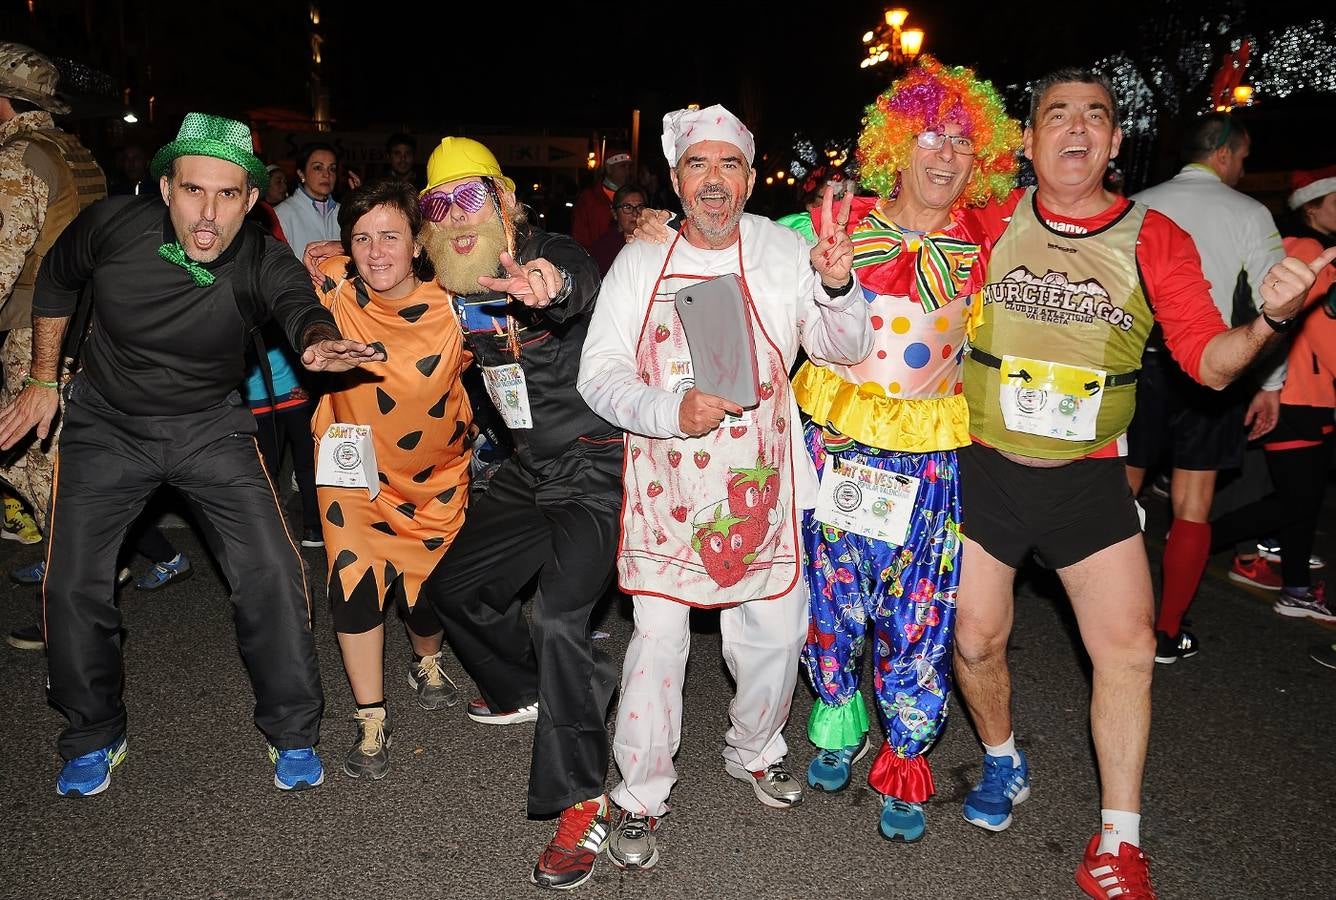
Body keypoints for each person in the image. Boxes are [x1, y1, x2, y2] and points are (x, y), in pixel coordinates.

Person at [952, 68, 1335, 898]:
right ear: (1028, 140)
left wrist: (1271, 320)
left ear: (1117, 143)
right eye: (1058, 115)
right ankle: (1000, 759)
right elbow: (895, 245)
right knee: (975, 640)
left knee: (1126, 652)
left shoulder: (1153, 235)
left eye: (1097, 116)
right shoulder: (985, 218)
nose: (1077, 130)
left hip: (1088, 478)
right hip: (983, 468)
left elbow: (1207, 360)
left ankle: (1119, 840)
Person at [0, 112, 386, 797]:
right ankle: (94, 734)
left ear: (251, 200)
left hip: (210, 427)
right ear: (166, 187)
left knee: (273, 571)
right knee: (70, 584)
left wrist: (317, 340)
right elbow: (57, 282)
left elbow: (298, 305)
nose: (208, 215)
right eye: (194, 191)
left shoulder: (261, 259)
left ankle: (293, 732)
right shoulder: (111, 227)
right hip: (106, 426)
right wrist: (41, 377)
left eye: (229, 195)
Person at [578, 104, 872, 870]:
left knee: (775, 635)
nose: (714, 181)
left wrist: (838, 287)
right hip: (668, 487)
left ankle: (755, 747)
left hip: (764, 484)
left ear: (748, 177)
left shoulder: (784, 251)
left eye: (729, 165)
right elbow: (599, 375)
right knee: (659, 642)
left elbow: (844, 348)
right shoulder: (641, 261)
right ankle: (639, 795)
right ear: (676, 180)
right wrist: (671, 409)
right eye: (698, 166)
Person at [791, 59, 1021, 842]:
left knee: (917, 618)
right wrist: (654, 224)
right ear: (897, 144)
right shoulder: (837, 221)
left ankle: (906, 758)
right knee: (831, 607)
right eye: (930, 135)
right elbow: (737, 249)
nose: (947, 155)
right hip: (836, 448)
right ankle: (837, 719)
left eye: (963, 140)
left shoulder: (987, 238)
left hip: (927, 463)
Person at [402, 137, 619, 890]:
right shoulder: (450, 277)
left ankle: (584, 801)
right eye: (439, 205)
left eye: (472, 199)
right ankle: (538, 690)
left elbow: (578, 278)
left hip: (597, 465)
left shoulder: (543, 250)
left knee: (559, 619)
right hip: (530, 472)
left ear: (504, 200)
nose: (458, 220)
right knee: (452, 589)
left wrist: (546, 283)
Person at [310, 179, 473, 780]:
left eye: (390, 237)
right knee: (352, 584)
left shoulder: (456, 302)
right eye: (361, 238)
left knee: (426, 598)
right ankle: (370, 717)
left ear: (418, 243)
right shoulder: (330, 285)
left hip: (436, 479)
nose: (376, 253)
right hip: (352, 477)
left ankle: (425, 660)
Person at [1125, 112, 1287, 663]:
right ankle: (1167, 632)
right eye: (1243, 157)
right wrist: (1272, 382)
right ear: (1223, 151)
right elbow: (1278, 301)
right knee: (1193, 507)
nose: (1244, 167)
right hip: (1213, 363)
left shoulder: (1139, 203)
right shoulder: (1249, 212)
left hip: (1139, 363)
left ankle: (1109, 617)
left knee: (1120, 494)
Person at [0, 42, 106, 647]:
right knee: (58, 460)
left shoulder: (20, 158)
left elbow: (6, 258)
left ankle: (70, 603)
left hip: (32, 331)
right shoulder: (73, 150)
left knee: (48, 470)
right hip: (80, 325)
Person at [1209, 166, 1336, 623]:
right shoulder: (1311, 250)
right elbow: (1324, 332)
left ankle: (1290, 575)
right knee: (1297, 500)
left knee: (1295, 496)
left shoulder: (1289, 244)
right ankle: (1205, 537)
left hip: (1285, 385)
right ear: (1313, 206)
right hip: (1301, 391)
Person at [275, 142, 342, 258]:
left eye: (332, 169)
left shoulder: (344, 212)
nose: (327, 174)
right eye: (318, 168)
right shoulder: (281, 214)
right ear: (302, 174)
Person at [571, 147, 633, 250]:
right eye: (623, 166)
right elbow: (579, 235)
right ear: (609, 168)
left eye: (629, 167)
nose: (627, 172)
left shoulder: (633, 197)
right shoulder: (589, 198)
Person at [589, 183, 646, 275]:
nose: (635, 213)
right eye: (627, 207)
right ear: (615, 213)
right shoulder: (602, 249)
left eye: (640, 207)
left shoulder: (652, 241)